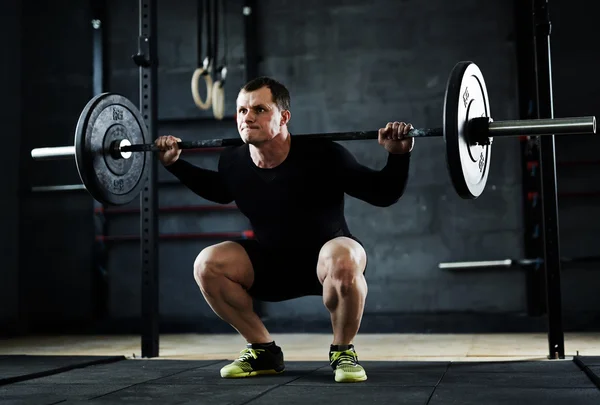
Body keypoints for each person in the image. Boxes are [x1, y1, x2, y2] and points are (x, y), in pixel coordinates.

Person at [155, 77, 413, 383]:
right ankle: (262, 350)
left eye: (259, 109)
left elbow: (382, 193)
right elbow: (221, 190)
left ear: (283, 117)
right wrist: (175, 164)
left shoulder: (324, 155)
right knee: (207, 264)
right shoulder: (234, 160)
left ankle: (343, 351)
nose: (247, 117)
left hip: (328, 264)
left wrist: (398, 155)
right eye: (241, 111)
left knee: (345, 255)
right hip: (271, 265)